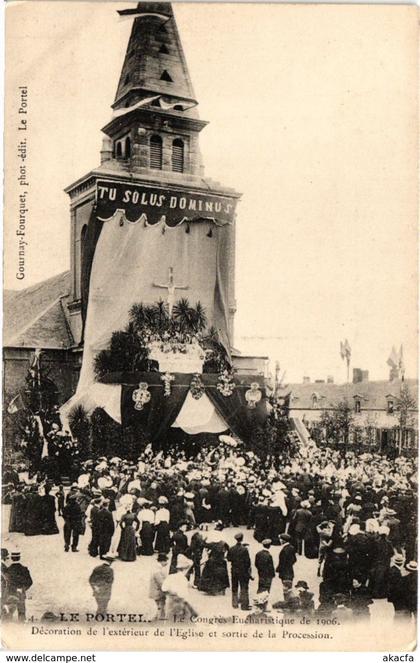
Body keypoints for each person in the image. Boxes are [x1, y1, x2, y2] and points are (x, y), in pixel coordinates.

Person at [162, 555, 198, 621]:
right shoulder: (183, 579)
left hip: (170, 605)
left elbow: (164, 588)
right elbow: (184, 596)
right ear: (185, 569)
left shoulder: (170, 576)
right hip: (180, 607)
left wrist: (171, 593)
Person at [227, 532, 252, 611]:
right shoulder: (245, 549)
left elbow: (228, 559)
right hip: (243, 571)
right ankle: (244, 605)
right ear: (242, 539)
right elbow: (248, 562)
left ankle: (234, 604)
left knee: (234, 587)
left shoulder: (231, 548)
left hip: (234, 570)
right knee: (244, 587)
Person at [6, 551, 33, 622]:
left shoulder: (8, 570)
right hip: (21, 594)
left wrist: (13, 589)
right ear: (19, 557)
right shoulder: (24, 569)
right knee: (21, 614)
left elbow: (6, 583)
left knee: (9, 614)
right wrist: (23, 589)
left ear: (11, 558)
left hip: (10, 594)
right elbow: (30, 582)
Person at [149, 553, 169, 619]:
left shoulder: (157, 568)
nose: (166, 563)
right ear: (162, 561)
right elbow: (161, 582)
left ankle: (159, 615)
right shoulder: (157, 570)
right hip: (157, 591)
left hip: (156, 590)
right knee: (160, 603)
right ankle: (160, 616)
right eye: (165, 561)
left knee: (159, 604)